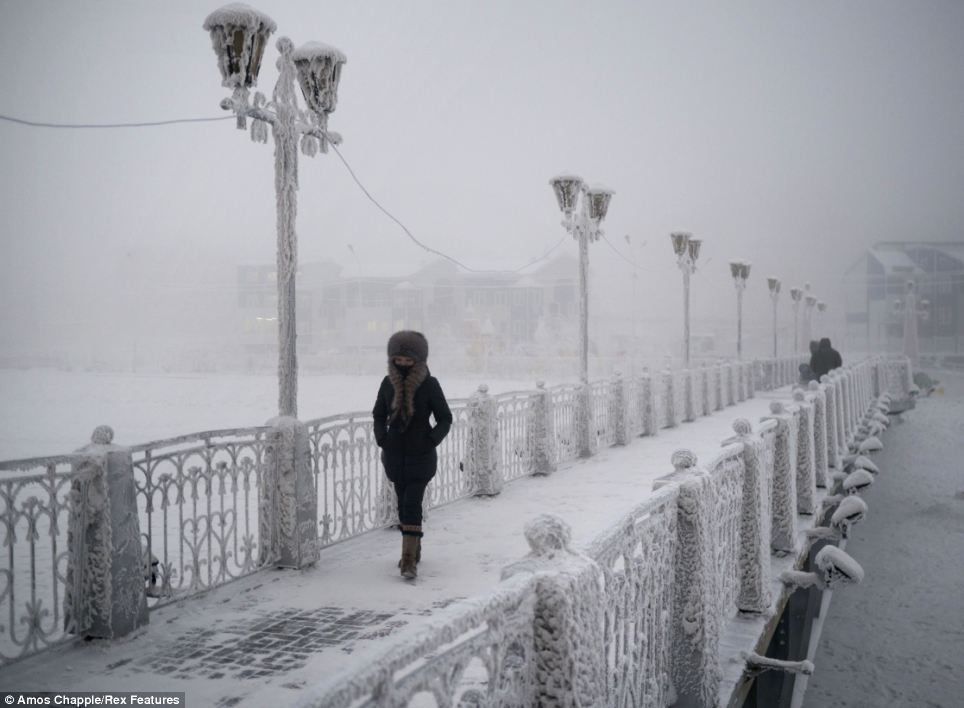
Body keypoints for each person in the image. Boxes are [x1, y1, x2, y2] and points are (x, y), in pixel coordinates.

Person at [372, 331, 452, 580]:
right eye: (399, 360)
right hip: (395, 456)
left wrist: (430, 440)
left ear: (419, 360)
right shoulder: (387, 384)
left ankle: (408, 561)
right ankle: (414, 549)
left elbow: (445, 418)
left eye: (408, 360)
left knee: (412, 503)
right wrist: (382, 438)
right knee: (401, 506)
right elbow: (378, 414)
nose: (403, 364)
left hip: (421, 456)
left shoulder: (430, 384)